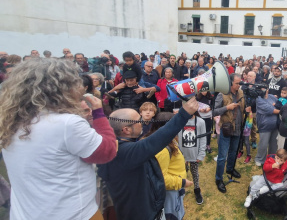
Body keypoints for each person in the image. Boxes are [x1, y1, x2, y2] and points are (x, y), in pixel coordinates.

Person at [0, 58, 117, 219]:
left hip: (24, 214)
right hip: (72, 214)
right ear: (63, 87)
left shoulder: (10, 121)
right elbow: (106, 151)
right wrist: (98, 112)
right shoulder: (67, 123)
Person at [98, 98, 198, 220]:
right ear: (126, 130)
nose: (142, 122)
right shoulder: (126, 153)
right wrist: (184, 113)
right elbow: (160, 138)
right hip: (143, 215)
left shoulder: (113, 147)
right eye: (138, 121)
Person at [213, 73, 246, 193]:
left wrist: (246, 109)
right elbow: (214, 111)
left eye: (240, 83)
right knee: (222, 157)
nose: (239, 85)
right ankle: (218, 179)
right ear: (230, 83)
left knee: (233, 152)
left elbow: (243, 107)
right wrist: (227, 108)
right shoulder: (222, 94)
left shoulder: (241, 93)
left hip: (238, 128)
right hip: (226, 129)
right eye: (237, 83)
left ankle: (230, 169)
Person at [155, 137, 192, 220]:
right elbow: (161, 178)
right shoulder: (163, 150)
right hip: (170, 193)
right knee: (172, 216)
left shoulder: (170, 140)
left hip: (175, 189)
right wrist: (182, 182)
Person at [177, 113, 207, 205]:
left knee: (195, 173)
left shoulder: (200, 121)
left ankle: (197, 190)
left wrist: (201, 154)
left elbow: (203, 138)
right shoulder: (178, 120)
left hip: (194, 154)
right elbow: (175, 137)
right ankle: (181, 190)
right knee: (182, 173)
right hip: (182, 155)